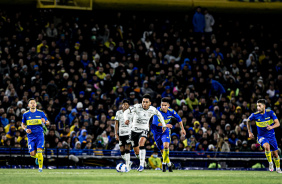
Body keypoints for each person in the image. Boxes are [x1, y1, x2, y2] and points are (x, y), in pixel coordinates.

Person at [124, 94, 166, 172]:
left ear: (150, 103)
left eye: (146, 102)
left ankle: (141, 165)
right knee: (136, 152)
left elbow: (159, 114)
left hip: (144, 129)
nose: (144, 104)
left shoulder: (153, 109)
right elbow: (126, 111)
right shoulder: (137, 107)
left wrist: (163, 125)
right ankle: (143, 161)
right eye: (143, 102)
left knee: (141, 142)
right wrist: (126, 119)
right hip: (134, 130)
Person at [247, 99, 282, 173]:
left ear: (264, 106)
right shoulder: (255, 115)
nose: (258, 108)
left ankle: (278, 168)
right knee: (266, 146)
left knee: (276, 154)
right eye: (257, 106)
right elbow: (248, 120)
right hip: (261, 136)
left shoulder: (270, 113)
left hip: (271, 136)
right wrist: (249, 132)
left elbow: (278, 123)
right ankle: (270, 163)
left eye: (259, 106)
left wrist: (271, 127)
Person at [151, 97, 186, 172]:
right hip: (156, 132)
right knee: (162, 151)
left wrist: (182, 129)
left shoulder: (171, 111)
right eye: (162, 105)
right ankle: (169, 164)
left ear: (168, 106)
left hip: (165, 131)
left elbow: (179, 119)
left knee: (166, 146)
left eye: (165, 105)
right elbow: (155, 123)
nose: (163, 107)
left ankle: (164, 164)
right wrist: (166, 125)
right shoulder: (157, 111)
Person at [21, 98, 50, 172]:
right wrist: (25, 129)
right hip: (30, 136)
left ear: (36, 104)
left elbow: (48, 123)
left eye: (34, 103)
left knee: (39, 150)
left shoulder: (41, 113)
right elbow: (22, 124)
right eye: (31, 103)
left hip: (40, 135)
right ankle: (38, 157)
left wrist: (45, 122)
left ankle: (40, 168)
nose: (33, 104)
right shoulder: (25, 114)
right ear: (28, 105)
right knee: (32, 154)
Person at [114, 99, 133, 170]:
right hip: (121, 133)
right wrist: (116, 134)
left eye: (126, 104)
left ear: (129, 106)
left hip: (129, 133)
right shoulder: (118, 113)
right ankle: (129, 162)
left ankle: (127, 165)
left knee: (127, 148)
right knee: (122, 152)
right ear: (122, 105)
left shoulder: (131, 113)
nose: (125, 106)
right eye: (124, 104)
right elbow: (116, 124)